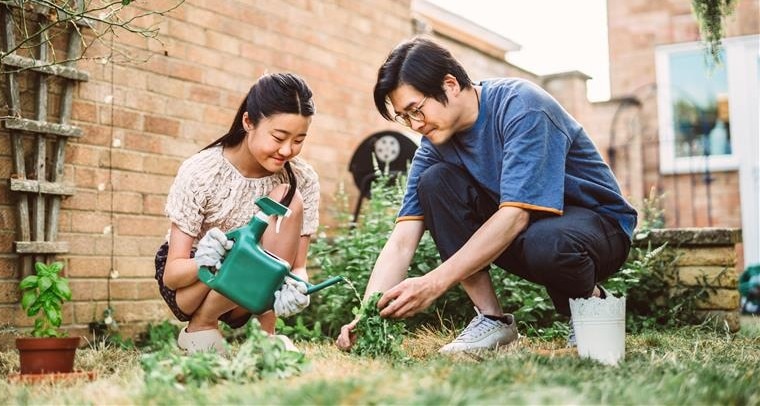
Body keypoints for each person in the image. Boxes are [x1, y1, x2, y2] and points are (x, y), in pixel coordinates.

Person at [336, 37, 637, 354]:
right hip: (525, 233)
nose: (415, 125)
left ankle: (591, 306)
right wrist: (368, 315)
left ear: (450, 84)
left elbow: (515, 215)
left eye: (416, 110)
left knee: (546, 240)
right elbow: (402, 240)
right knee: (434, 182)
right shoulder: (434, 146)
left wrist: (434, 283)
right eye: (404, 117)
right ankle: (492, 320)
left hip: (599, 229)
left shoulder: (522, 106)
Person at [155, 72, 320, 354]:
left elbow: (297, 267)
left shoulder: (301, 179)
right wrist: (209, 258)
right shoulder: (202, 172)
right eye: (279, 137)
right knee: (240, 249)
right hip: (193, 285)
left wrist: (298, 287)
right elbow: (172, 275)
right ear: (248, 122)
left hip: (251, 293)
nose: (287, 150)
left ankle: (265, 334)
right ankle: (202, 326)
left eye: (298, 140)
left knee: (286, 197)